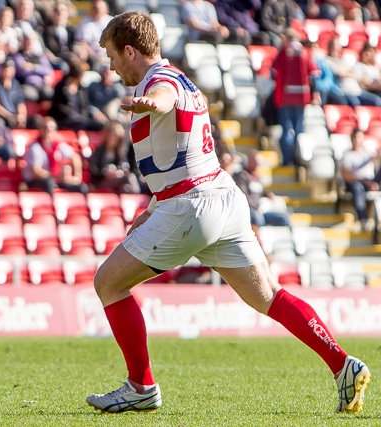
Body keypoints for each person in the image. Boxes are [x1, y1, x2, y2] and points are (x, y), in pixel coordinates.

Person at [86, 11, 370, 414]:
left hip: (192, 206)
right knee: (269, 297)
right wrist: (153, 206)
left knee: (108, 283)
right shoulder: (182, 79)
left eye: (113, 55)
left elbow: (164, 98)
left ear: (130, 51)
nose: (111, 66)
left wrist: (151, 102)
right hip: (221, 196)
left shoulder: (159, 84)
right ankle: (343, 365)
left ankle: (141, 386)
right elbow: (182, 152)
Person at [271, 29, 320, 166]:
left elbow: (273, 72)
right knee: (299, 131)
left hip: (285, 97)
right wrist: (314, 93)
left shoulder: (284, 52)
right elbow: (314, 75)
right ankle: (299, 161)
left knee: (287, 130)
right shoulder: (306, 52)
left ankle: (288, 161)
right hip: (302, 97)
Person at [22, 115, 88, 195]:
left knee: (81, 188)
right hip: (36, 180)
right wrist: (55, 176)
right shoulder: (35, 147)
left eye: (50, 129)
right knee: (50, 183)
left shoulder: (58, 145)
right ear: (40, 129)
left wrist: (77, 176)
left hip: (54, 179)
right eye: (45, 128)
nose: (47, 131)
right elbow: (35, 171)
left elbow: (75, 157)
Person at [233, 149, 290, 232]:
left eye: (259, 163)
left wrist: (267, 194)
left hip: (260, 210)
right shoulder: (242, 176)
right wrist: (255, 208)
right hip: (250, 211)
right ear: (249, 161)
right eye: (256, 162)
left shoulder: (257, 178)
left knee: (284, 218)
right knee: (257, 219)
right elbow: (243, 196)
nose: (257, 165)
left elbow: (260, 191)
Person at [339, 128, 381, 231]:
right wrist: (366, 182)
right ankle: (363, 219)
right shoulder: (347, 155)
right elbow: (347, 176)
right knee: (357, 188)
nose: (357, 140)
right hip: (356, 183)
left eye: (359, 137)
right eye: (355, 137)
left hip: (370, 181)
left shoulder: (367, 153)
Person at [89, 121, 140, 193]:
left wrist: (119, 171)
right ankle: (137, 196)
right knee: (129, 177)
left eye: (116, 137)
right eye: (112, 136)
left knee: (126, 188)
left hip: (117, 179)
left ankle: (136, 201)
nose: (114, 139)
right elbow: (94, 170)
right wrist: (106, 172)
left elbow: (122, 165)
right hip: (101, 181)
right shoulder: (99, 151)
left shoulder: (117, 152)